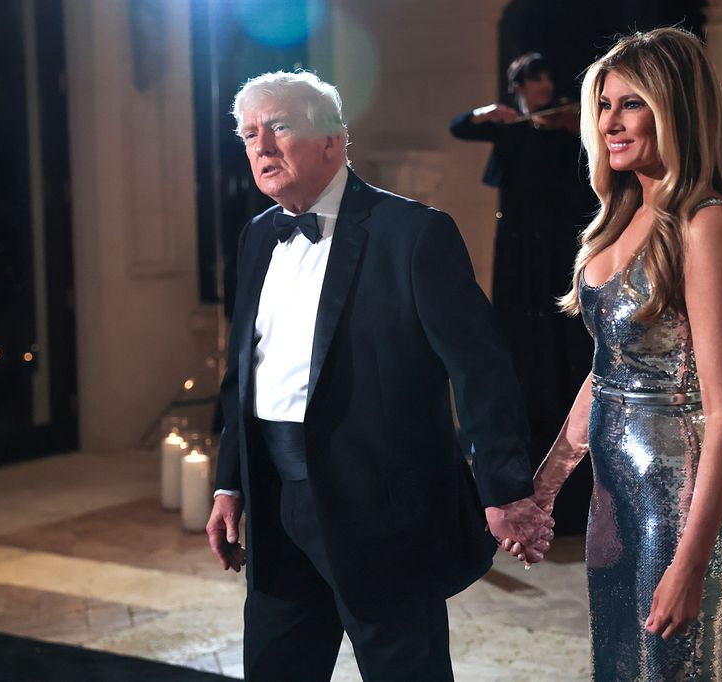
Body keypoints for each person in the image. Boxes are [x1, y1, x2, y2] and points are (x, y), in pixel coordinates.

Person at [205, 70, 554, 681]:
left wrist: (502, 489)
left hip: (384, 512)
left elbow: (481, 370)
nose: (262, 147)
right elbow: (243, 375)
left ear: (333, 141)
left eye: (279, 127)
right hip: (277, 502)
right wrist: (229, 483)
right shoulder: (258, 236)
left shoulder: (413, 234)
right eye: (249, 134)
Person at [516, 28, 722, 679]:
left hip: (677, 500)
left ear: (676, 110)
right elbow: (608, 372)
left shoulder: (705, 224)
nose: (610, 123)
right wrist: (546, 485)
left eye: (631, 104)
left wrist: (691, 562)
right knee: (618, 667)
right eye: (604, 105)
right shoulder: (619, 218)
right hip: (613, 494)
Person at [450, 53, 595, 533]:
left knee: (561, 334)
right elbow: (459, 128)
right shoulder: (511, 126)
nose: (544, 85)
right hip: (519, 249)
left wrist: (572, 123)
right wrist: (485, 113)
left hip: (558, 245)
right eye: (535, 79)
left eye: (548, 77)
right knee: (519, 338)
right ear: (518, 86)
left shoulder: (566, 123)